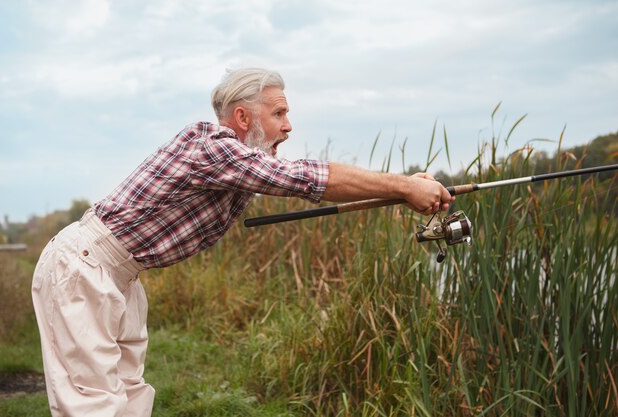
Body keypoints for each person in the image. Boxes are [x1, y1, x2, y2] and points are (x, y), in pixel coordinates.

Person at [31, 67, 453, 416]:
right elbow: (304, 178)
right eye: (279, 113)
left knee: (129, 397)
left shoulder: (237, 165)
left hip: (121, 275)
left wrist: (402, 187)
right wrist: (401, 186)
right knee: (92, 405)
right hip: (85, 267)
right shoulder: (211, 148)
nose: (288, 126)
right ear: (243, 118)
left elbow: (292, 177)